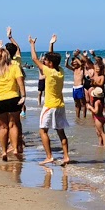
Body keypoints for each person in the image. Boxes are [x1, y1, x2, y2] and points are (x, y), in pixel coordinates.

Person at [28, 34, 70, 165]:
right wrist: (51, 44)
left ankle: (49, 156)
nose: (44, 61)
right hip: (60, 106)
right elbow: (52, 59)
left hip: (50, 106)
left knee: (43, 131)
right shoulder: (60, 71)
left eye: (46, 61)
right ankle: (66, 156)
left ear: (50, 64)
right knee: (60, 131)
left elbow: (34, 58)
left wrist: (32, 44)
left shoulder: (49, 72)